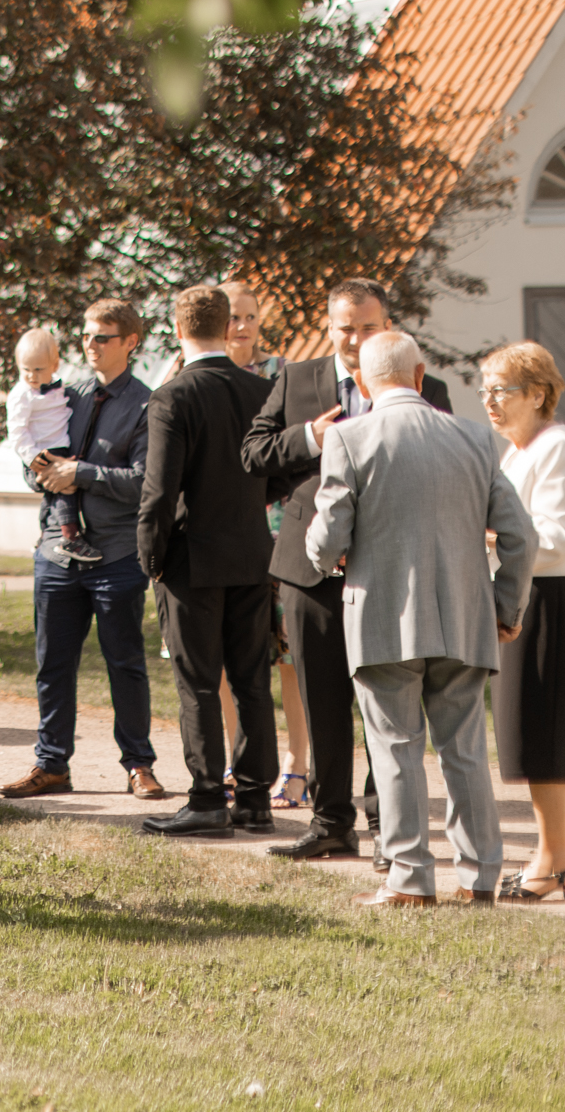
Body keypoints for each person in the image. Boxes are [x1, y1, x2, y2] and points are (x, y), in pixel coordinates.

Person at [307, 330, 536, 907]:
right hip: (465, 618)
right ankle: (481, 876)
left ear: (360, 381)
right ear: (420, 374)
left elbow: (326, 538)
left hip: (383, 618)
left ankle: (410, 878)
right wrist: (504, 606)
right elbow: (521, 536)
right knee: (464, 751)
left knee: (396, 749)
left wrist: (322, 550)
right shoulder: (475, 438)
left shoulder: (348, 438)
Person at [241, 276, 456, 865]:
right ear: (328, 325)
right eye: (346, 328)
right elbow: (253, 454)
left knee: (388, 702)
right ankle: (330, 821)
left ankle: (391, 826)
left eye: (369, 327)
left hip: (391, 569)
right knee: (323, 696)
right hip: (309, 570)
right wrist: (309, 438)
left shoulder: (424, 385)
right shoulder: (298, 378)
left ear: (385, 325)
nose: (357, 339)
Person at [2, 298, 166, 802]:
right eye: (87, 336)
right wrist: (40, 471)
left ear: (130, 343)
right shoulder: (60, 393)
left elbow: (145, 482)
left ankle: (138, 764)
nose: (90, 346)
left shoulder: (147, 405)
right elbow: (31, 457)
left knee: (125, 663)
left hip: (116, 556)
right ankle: (51, 765)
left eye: (103, 337)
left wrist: (82, 474)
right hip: (55, 551)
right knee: (52, 663)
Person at [136, 285, 282, 838]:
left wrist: (150, 556)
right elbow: (282, 470)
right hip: (251, 552)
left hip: (190, 557)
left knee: (198, 681)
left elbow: (158, 488)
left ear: (178, 329)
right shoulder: (262, 389)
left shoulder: (172, 396)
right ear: (228, 328)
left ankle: (205, 798)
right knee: (251, 681)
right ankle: (254, 800)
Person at [479, 339, 565, 902]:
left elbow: (554, 539)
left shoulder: (558, 448)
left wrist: (488, 539)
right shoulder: (517, 452)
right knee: (526, 730)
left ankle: (550, 860)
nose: (490, 401)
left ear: (539, 394)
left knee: (543, 730)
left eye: (501, 389)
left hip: (550, 599)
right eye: (486, 390)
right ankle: (563, 855)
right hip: (523, 596)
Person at [219, 278, 307, 809]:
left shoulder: (285, 375)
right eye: (232, 316)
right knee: (232, 662)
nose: (243, 326)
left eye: (250, 316)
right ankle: (237, 759)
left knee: (292, 657)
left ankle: (299, 764)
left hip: (280, 530)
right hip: (226, 535)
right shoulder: (196, 375)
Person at [8, 327, 90, 562]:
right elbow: (17, 431)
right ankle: (71, 537)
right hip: (40, 451)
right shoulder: (22, 395)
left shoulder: (59, 389)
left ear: (55, 366)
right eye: (26, 370)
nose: (32, 376)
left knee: (53, 496)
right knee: (65, 490)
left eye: (38, 369)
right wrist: (32, 457)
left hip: (59, 446)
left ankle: (46, 534)